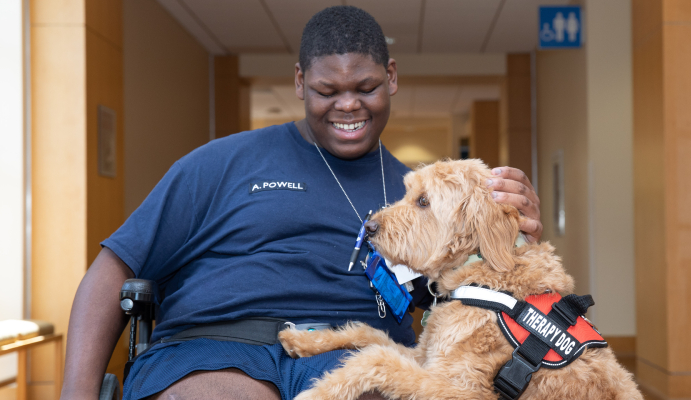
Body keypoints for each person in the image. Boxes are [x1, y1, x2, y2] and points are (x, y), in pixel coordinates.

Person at [60, 6, 542, 400]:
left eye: (366, 88)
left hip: (355, 353)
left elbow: (475, 292)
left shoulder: (426, 196)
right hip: (219, 346)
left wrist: (515, 235)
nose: (348, 106)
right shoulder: (221, 163)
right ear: (299, 83)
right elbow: (113, 270)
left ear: (391, 77)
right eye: (326, 91)